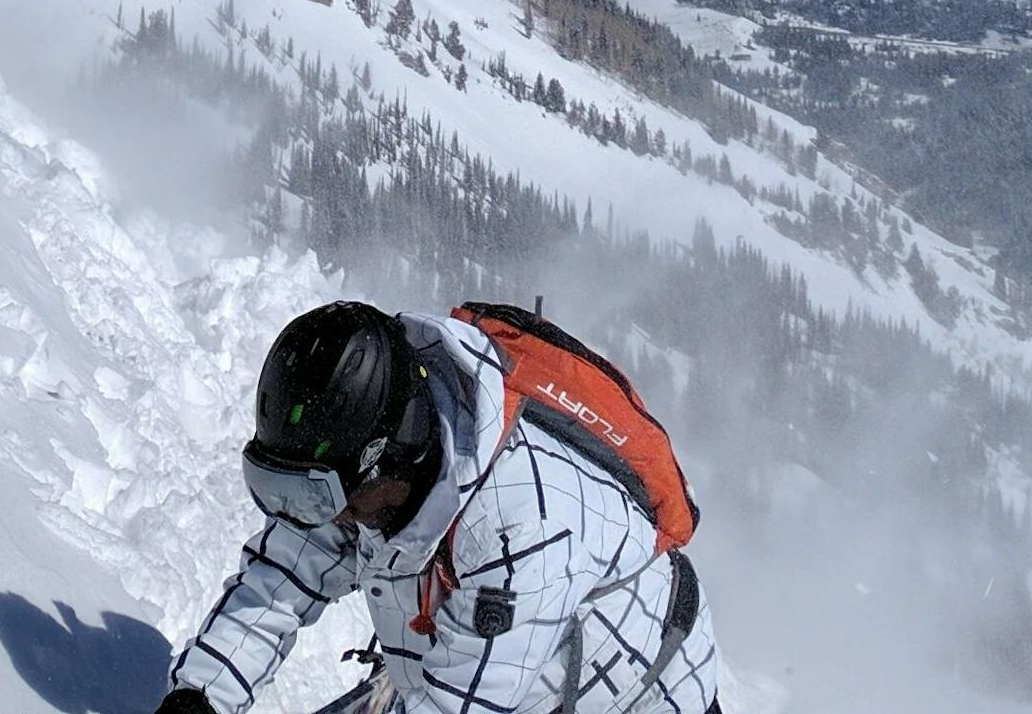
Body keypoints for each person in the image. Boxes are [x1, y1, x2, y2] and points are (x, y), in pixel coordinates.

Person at [156, 302, 719, 714]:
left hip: (640, 696)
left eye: (319, 497)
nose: (317, 518)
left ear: (388, 459)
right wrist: (197, 700)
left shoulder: (522, 528)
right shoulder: (360, 470)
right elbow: (281, 579)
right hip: (487, 669)